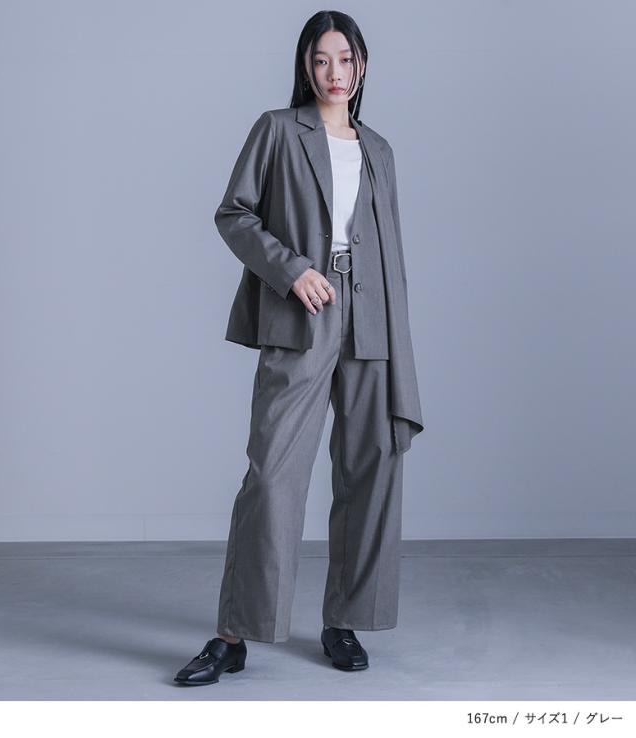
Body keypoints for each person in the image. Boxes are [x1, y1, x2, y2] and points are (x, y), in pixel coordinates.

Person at [174, 9, 423, 686]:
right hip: (303, 312)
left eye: (345, 59)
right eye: (321, 59)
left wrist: (402, 355)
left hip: (373, 320)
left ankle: (344, 620)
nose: (334, 72)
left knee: (371, 470)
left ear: (362, 65)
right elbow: (234, 213)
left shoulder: (380, 150)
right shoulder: (279, 130)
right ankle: (233, 635)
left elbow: (394, 258)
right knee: (273, 475)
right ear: (305, 67)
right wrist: (291, 271)